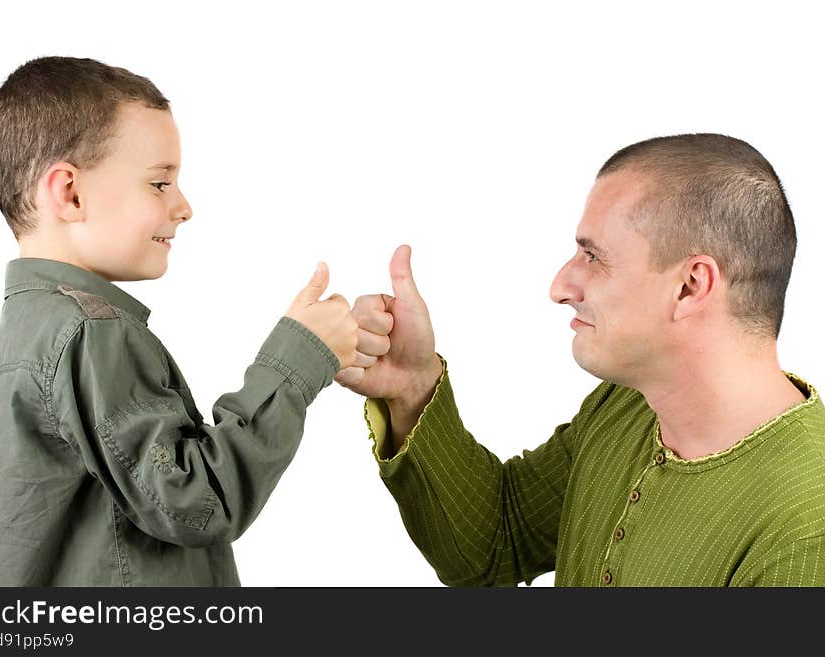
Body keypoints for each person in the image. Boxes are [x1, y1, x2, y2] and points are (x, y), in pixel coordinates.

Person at [337, 134, 825, 586]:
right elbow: (497, 543)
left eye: (594, 257)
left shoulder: (807, 530)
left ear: (690, 286)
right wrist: (411, 387)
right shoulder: (627, 406)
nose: (561, 287)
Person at [0, 56, 357, 586]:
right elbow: (199, 499)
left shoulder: (31, 330)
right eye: (160, 183)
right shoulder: (90, 332)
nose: (184, 206)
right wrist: (300, 358)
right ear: (70, 193)